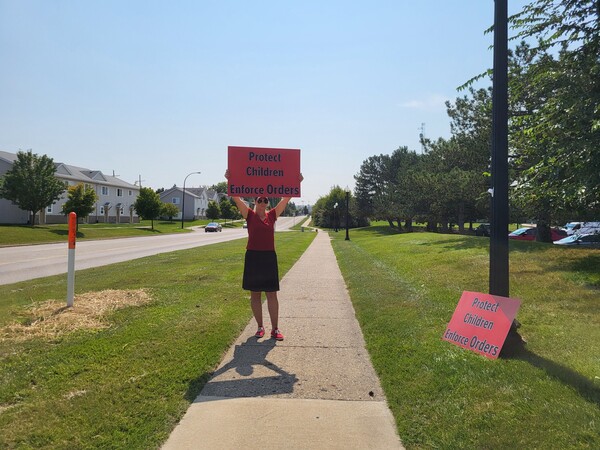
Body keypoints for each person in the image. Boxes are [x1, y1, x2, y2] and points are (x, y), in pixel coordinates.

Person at [224, 170, 303, 341]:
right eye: (259, 199)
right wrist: (230, 180)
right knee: (255, 295)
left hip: (268, 258)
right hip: (253, 257)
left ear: (267, 203)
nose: (262, 201)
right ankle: (260, 327)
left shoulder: (272, 215)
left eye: (265, 200)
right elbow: (236, 197)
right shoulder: (249, 215)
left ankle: (275, 329)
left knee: (272, 294)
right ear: (255, 202)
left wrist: (297, 182)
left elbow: (286, 198)